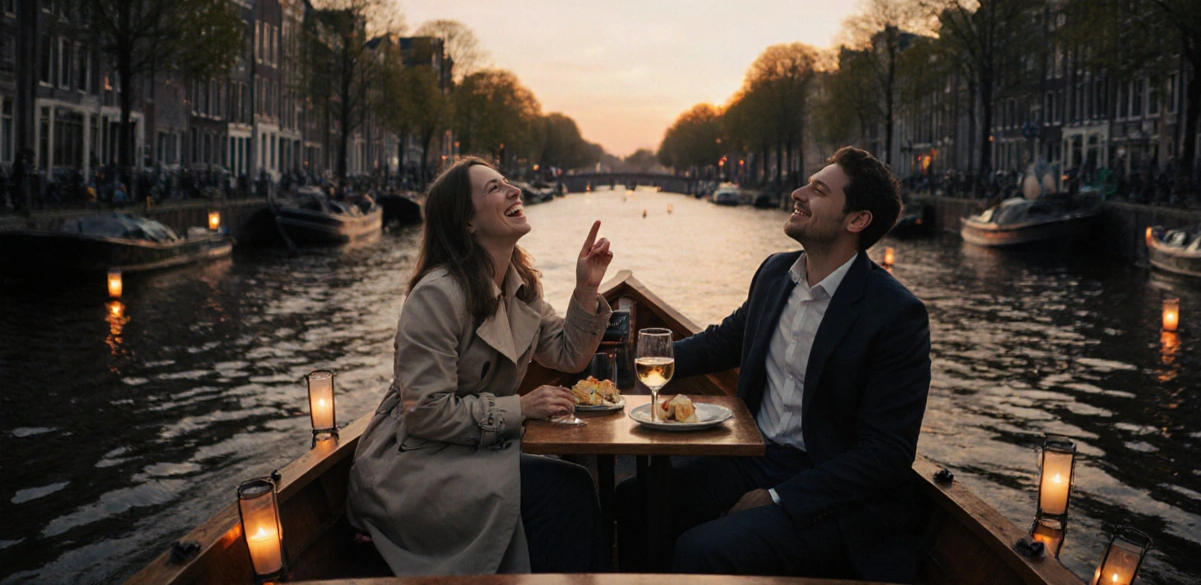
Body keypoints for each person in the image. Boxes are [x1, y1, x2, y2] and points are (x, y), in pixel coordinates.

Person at [617, 146, 931, 583]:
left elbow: (886, 455)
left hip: (831, 491)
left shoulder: (895, 314)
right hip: (755, 456)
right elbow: (723, 341)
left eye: (818, 190)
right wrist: (626, 363)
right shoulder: (775, 274)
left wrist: (780, 497)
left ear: (857, 220)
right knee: (635, 501)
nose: (798, 193)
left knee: (701, 550)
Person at [347, 157, 615, 575]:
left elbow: (569, 355)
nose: (514, 190)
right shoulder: (436, 295)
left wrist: (586, 288)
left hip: (471, 453)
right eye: (494, 188)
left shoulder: (520, 287)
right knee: (568, 490)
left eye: (507, 182)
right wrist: (520, 408)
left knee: (572, 485)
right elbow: (425, 412)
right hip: (414, 468)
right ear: (467, 222)